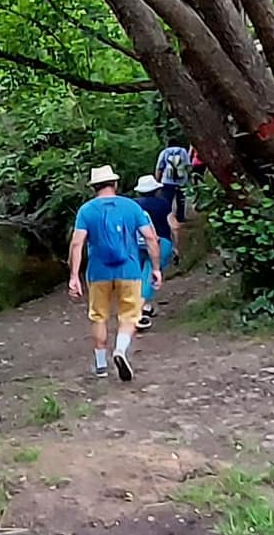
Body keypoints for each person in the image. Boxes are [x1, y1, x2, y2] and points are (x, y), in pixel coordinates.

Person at [68, 165, 161, 381]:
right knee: (130, 314)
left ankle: (101, 366)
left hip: (98, 272)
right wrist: (155, 268)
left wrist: (74, 276)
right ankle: (120, 349)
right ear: (115, 184)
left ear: (94, 187)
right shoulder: (131, 207)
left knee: (99, 316)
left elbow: (77, 243)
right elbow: (150, 238)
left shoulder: (86, 210)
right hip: (129, 270)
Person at [132, 174, 179, 331]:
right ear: (156, 190)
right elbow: (174, 225)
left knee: (140, 275)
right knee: (152, 273)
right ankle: (137, 311)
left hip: (136, 243)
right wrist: (175, 245)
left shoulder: (133, 205)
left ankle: (145, 306)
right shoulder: (163, 204)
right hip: (160, 242)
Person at [155, 141, 191, 221]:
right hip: (181, 181)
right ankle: (180, 217)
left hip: (167, 181)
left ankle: (166, 217)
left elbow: (159, 168)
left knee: (166, 200)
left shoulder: (164, 152)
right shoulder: (183, 151)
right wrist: (189, 177)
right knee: (181, 200)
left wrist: (157, 181)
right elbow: (188, 165)